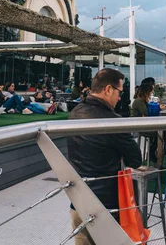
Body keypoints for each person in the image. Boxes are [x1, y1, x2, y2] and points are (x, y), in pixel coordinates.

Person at [68, 69, 142, 245]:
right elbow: (136, 160)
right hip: (106, 204)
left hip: (77, 201)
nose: (120, 97)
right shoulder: (112, 121)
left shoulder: (75, 113)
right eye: (120, 92)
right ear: (108, 89)